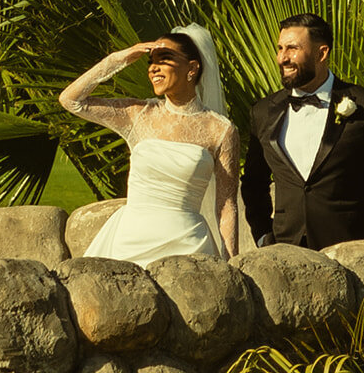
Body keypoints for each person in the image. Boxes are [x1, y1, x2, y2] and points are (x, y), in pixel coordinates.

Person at [58, 24, 239, 263]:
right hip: (129, 242)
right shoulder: (138, 113)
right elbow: (71, 100)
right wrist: (119, 59)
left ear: (192, 68)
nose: (153, 67)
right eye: (150, 62)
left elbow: (226, 205)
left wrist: (233, 264)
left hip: (189, 245)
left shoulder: (221, 129)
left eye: (164, 59)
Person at [241, 12, 364, 250]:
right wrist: (263, 236)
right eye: (280, 48)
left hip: (353, 250)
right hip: (286, 254)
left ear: (322, 53)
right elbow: (253, 184)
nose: (282, 58)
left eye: (292, 48)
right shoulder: (263, 111)